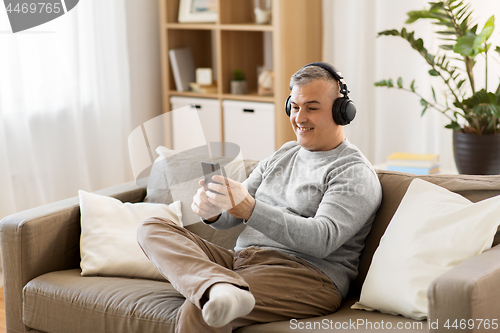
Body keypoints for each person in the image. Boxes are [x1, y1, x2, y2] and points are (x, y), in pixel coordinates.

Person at [137, 62, 382, 333]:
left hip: (306, 275)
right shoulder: (283, 154)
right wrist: (213, 212)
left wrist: (250, 209)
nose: (300, 118)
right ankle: (218, 286)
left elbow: (322, 240)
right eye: (296, 107)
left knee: (202, 310)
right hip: (242, 260)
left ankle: (218, 290)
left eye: (312, 108)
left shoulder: (353, 172)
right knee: (152, 227)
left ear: (342, 112)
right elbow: (233, 215)